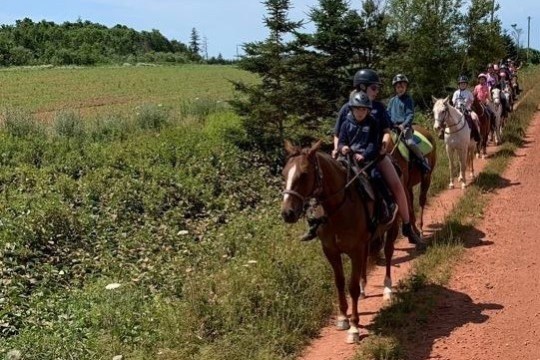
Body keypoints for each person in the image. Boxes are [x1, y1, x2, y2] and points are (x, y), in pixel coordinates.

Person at [302, 69, 425, 248]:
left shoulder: (380, 107)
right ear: (362, 87)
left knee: (398, 186)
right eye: (374, 88)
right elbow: (337, 134)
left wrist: (384, 144)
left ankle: (407, 227)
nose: (377, 91)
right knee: (322, 184)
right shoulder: (347, 108)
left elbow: (386, 131)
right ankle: (316, 222)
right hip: (348, 155)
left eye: (377, 88)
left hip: (374, 155)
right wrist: (337, 149)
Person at [387, 73, 431, 173]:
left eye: (403, 86)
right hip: (393, 128)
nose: (400, 89)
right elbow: (388, 114)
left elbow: (410, 114)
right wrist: (389, 123)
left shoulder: (408, 100)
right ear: (395, 88)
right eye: (398, 87)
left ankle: (423, 161)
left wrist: (404, 124)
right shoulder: (392, 101)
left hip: (405, 128)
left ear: (406, 87)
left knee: (410, 142)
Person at [452, 75, 481, 143]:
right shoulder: (456, 93)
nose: (463, 85)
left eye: (464, 83)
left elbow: (472, 101)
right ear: (459, 84)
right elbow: (454, 101)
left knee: (474, 118)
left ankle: (476, 134)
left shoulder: (469, 93)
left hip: (466, 110)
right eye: (461, 83)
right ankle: (444, 133)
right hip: (457, 109)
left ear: (466, 85)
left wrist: (467, 105)